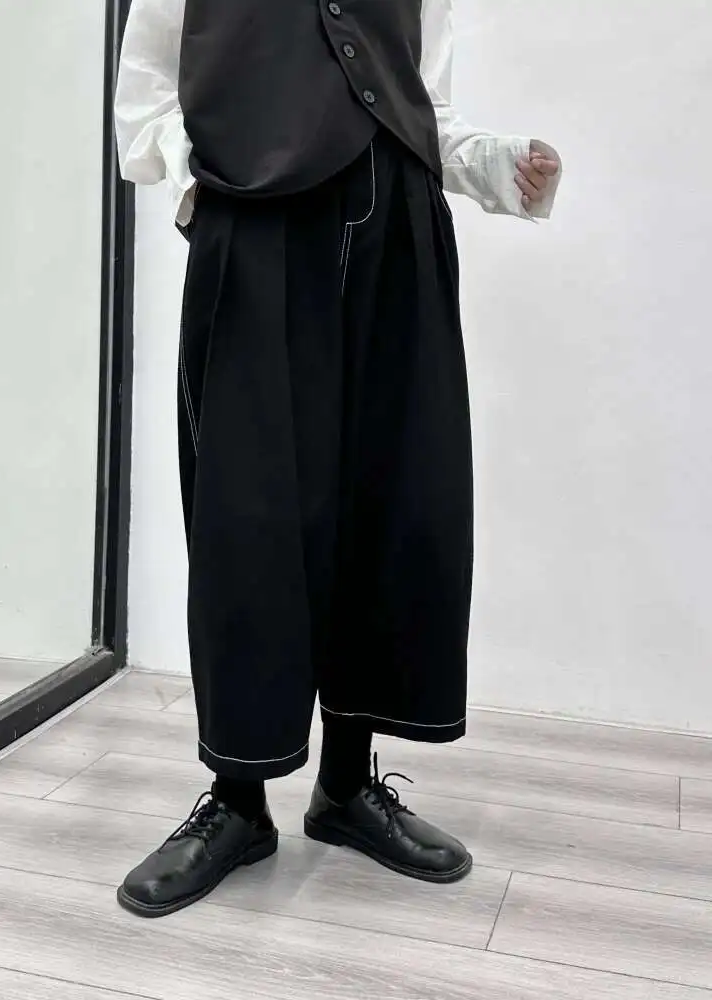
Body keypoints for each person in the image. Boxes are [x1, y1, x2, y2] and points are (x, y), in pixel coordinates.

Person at [114, 0, 562, 918]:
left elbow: (420, 103)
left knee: (392, 499)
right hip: (257, 224)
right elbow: (145, 91)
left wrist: (496, 165)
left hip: (397, 225)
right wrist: (206, 185)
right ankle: (238, 800)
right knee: (247, 516)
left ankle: (347, 786)